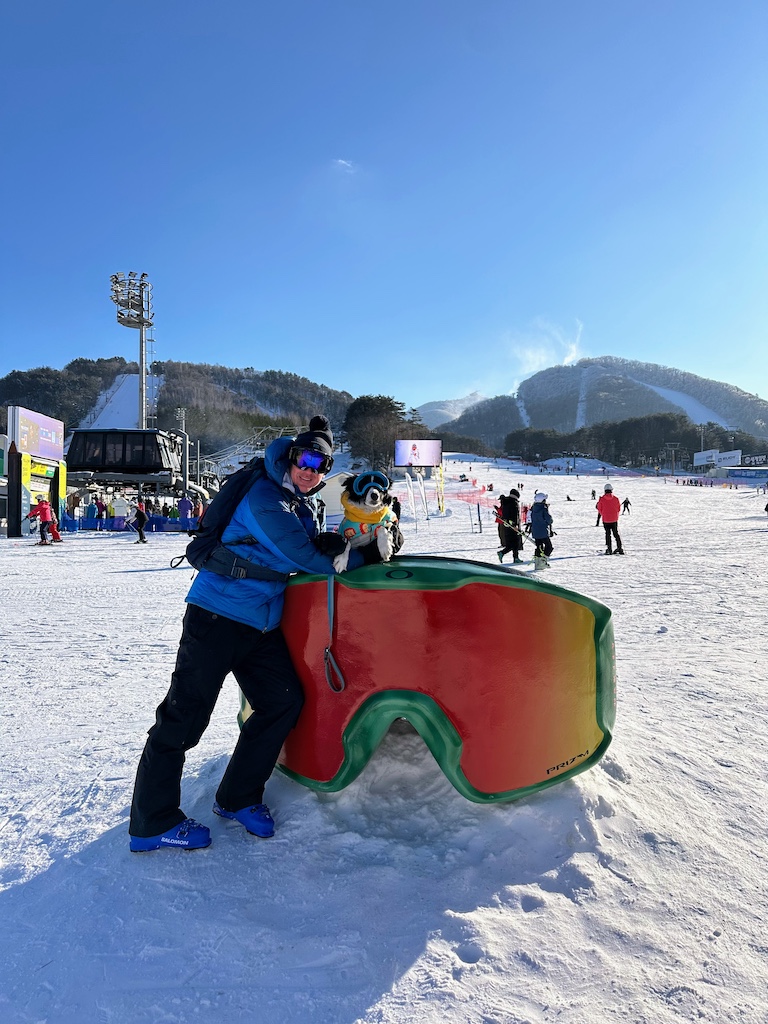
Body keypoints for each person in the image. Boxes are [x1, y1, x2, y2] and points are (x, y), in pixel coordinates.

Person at [128, 415, 378, 853]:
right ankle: (152, 821)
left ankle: (238, 796)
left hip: (260, 625)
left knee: (281, 701)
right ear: (290, 455)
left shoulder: (296, 501)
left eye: (321, 465)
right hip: (216, 617)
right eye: (305, 459)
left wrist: (335, 541)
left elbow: (304, 547)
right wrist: (367, 555)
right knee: (183, 718)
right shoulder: (265, 494)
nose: (311, 470)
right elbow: (301, 555)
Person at [496, 488, 523, 563]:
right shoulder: (514, 503)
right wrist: (515, 524)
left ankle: (515, 557)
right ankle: (504, 553)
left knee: (512, 543)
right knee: (515, 542)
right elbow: (515, 515)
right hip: (513, 525)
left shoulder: (506, 502)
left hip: (507, 524)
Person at [596, 483, 624, 554]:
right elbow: (618, 508)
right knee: (616, 533)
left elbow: (599, 508)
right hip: (614, 519)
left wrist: (604, 515)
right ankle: (619, 548)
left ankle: (609, 549)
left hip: (606, 519)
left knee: (608, 534)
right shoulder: (616, 498)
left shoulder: (602, 499)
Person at [530, 492, 554, 567]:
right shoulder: (543, 508)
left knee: (539, 547)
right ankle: (543, 561)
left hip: (535, 531)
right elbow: (549, 519)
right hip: (543, 531)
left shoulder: (533, 508)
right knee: (549, 547)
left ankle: (538, 563)